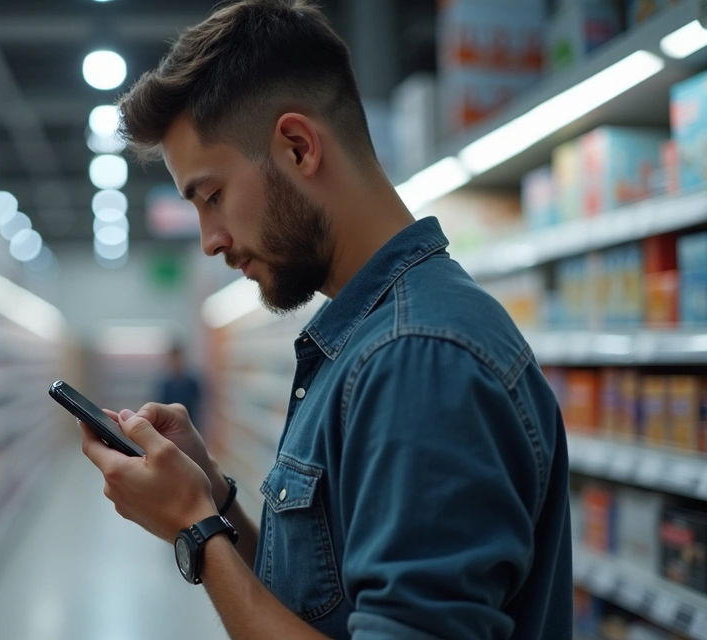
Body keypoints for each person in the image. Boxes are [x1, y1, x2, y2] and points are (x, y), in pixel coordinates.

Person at [75, 1, 572, 639]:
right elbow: (322, 608)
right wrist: (213, 496)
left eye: (214, 196)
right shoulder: (367, 337)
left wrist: (193, 526)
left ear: (299, 147)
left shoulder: (417, 358)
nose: (210, 240)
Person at [155, 345, 203, 430]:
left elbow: (198, 404)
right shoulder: (164, 384)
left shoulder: (191, 382)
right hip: (169, 426)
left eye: (178, 358)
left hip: (190, 425)